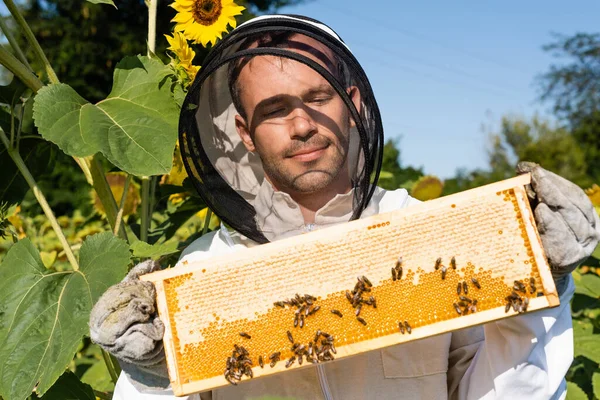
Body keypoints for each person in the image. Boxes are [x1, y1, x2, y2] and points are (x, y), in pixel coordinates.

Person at [89, 15, 600, 400]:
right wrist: (154, 376)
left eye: (319, 97)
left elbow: (508, 391)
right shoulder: (203, 273)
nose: (302, 125)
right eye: (273, 110)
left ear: (352, 103)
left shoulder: (431, 236)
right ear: (244, 132)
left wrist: (540, 286)